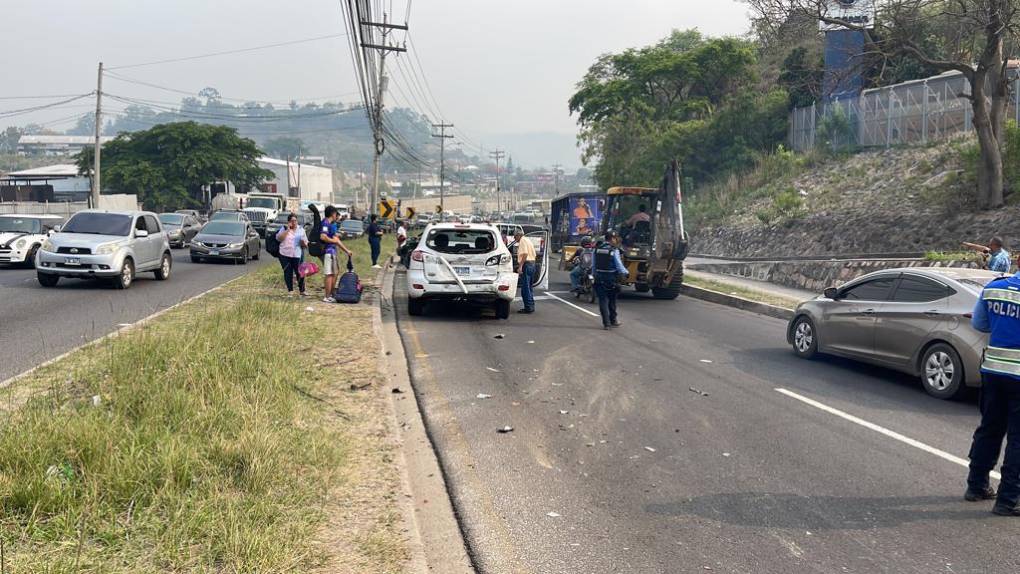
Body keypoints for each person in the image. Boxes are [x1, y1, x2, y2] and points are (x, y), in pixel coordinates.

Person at [966, 260, 1020, 515]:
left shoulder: (994, 288)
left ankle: (976, 486)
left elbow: (979, 323)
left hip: (994, 371)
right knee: (1018, 439)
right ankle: (1009, 500)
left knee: (990, 428)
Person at [593, 230, 629, 330]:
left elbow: (594, 266)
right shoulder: (614, 250)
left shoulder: (596, 249)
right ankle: (613, 320)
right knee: (612, 300)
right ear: (613, 239)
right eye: (616, 238)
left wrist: (594, 274)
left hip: (599, 278)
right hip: (611, 278)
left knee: (602, 300)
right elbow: (619, 266)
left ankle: (606, 324)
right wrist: (626, 273)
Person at [320, 205, 353, 303]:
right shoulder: (325, 223)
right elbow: (323, 237)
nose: (336, 216)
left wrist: (346, 250)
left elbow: (337, 240)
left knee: (334, 273)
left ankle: (331, 294)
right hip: (328, 252)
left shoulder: (330, 225)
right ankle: (327, 296)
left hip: (332, 252)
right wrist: (333, 241)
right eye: (335, 214)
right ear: (333, 214)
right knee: (329, 274)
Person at [275, 213, 308, 296]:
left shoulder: (301, 230)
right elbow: (279, 238)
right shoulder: (284, 228)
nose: (294, 222)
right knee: (288, 271)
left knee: (299, 271)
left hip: (296, 253)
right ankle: (290, 290)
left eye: (295, 221)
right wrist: (288, 230)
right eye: (291, 221)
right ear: (288, 222)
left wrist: (303, 243)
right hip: (284, 253)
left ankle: (302, 290)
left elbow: (306, 244)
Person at [514, 229, 537, 314]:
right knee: (529, 287)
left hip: (526, 264)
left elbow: (525, 254)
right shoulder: (528, 240)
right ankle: (531, 306)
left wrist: (520, 266)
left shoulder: (523, 241)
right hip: (532, 264)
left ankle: (528, 307)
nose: (515, 238)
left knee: (525, 288)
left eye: (515, 236)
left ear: (518, 235)